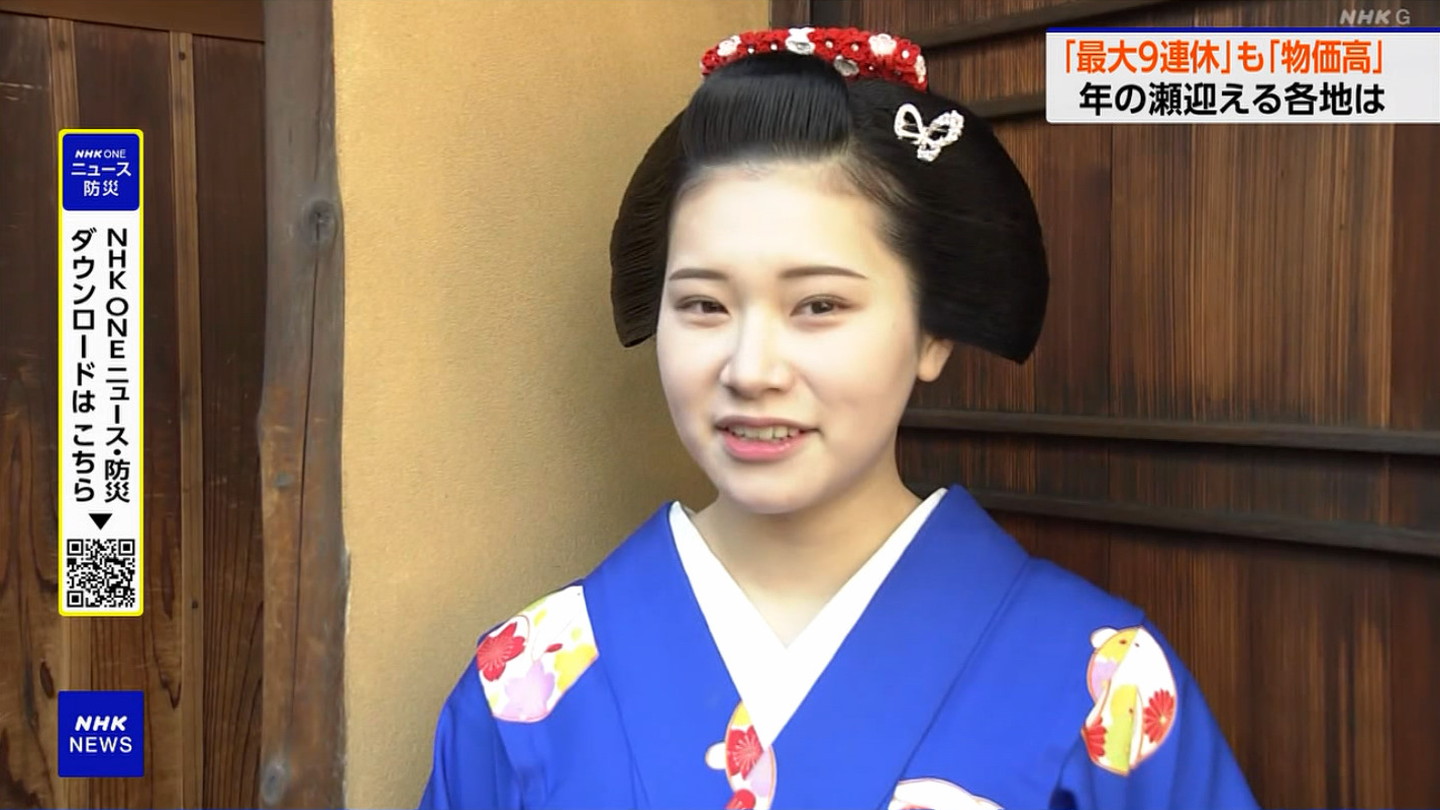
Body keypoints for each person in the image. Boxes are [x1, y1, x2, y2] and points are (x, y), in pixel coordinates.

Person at [418, 26, 1259, 810]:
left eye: (818, 305)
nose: (751, 369)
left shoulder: (1106, 684)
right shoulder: (522, 683)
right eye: (704, 305)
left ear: (933, 330)